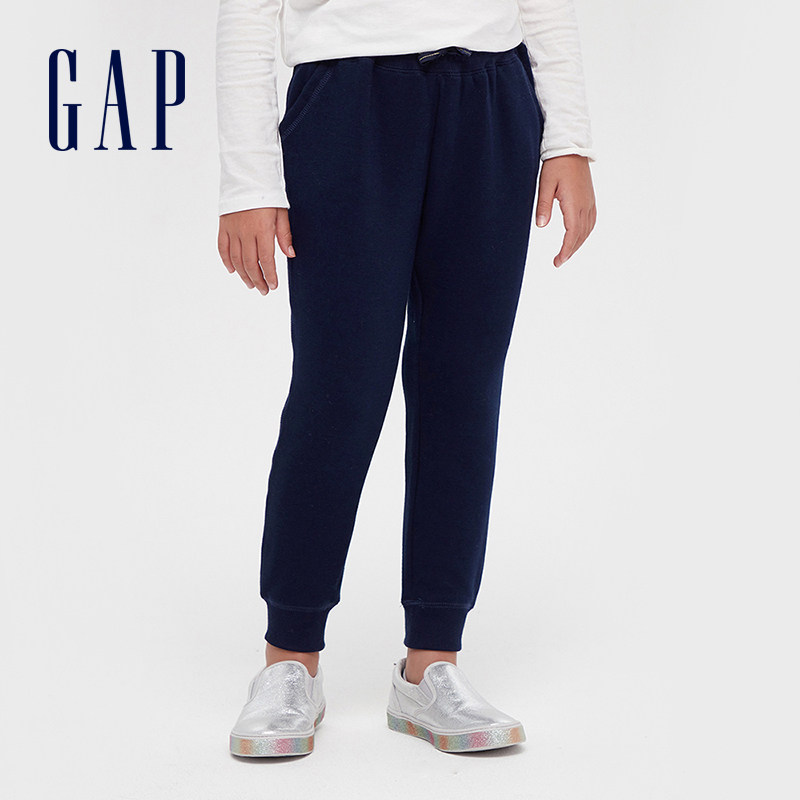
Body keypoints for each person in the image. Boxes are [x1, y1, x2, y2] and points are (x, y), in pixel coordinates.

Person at [215, 0, 597, 756]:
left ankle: (432, 662)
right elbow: (250, 12)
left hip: (491, 96)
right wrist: (247, 183)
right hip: (346, 101)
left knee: (464, 386)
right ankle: (290, 659)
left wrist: (569, 139)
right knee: (338, 389)